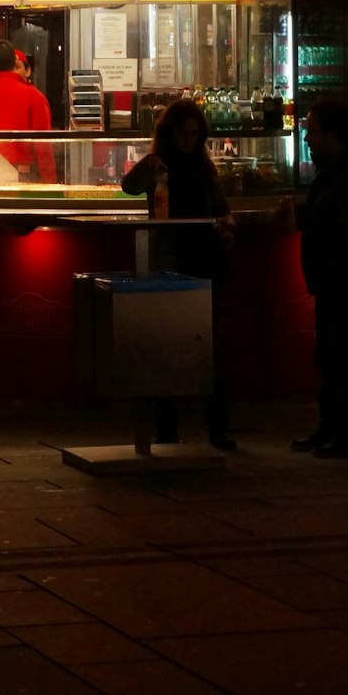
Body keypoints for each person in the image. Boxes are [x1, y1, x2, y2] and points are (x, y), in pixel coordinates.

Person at [120, 97, 237, 450]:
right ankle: (167, 427)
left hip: (204, 260)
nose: (188, 141)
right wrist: (148, 166)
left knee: (209, 347)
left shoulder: (204, 168)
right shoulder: (159, 165)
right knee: (166, 345)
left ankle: (216, 427)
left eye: (193, 135)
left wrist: (226, 227)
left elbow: (220, 208)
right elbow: (128, 185)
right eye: (182, 134)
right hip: (172, 261)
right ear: (170, 134)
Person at [290, 98, 348, 459]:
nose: (307, 138)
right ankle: (332, 427)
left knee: (346, 358)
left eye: (312, 131)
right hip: (336, 284)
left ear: (332, 135)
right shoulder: (339, 173)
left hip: (346, 284)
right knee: (333, 357)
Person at [0, 38, 56, 182]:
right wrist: (50, 183)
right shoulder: (35, 97)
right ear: (14, 62)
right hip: (24, 176)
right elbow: (43, 146)